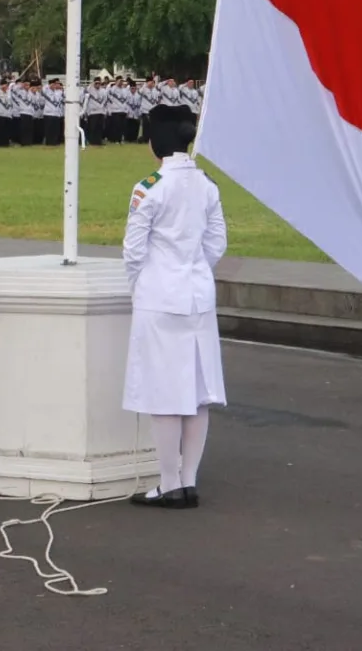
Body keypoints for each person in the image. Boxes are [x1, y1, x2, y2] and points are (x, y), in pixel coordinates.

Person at [122, 110, 227, 510]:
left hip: (160, 296)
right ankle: (189, 480)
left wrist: (145, 285)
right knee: (197, 392)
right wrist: (194, 271)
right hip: (198, 294)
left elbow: (133, 251)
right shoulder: (205, 184)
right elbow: (217, 242)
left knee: (164, 393)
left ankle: (169, 484)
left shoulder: (150, 186)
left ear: (155, 142)